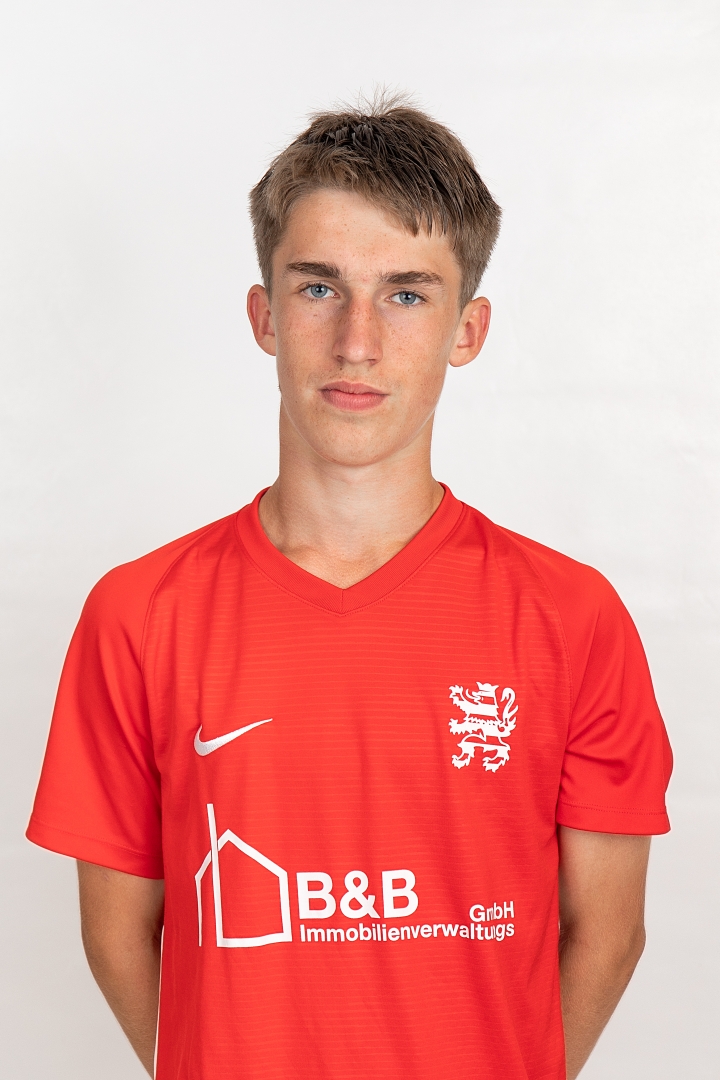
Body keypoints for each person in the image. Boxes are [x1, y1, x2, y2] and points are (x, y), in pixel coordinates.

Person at [27, 95, 672, 1080]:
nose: (358, 342)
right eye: (320, 287)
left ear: (468, 329)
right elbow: (119, 936)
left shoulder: (571, 618)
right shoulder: (139, 616)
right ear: (264, 315)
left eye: (407, 294)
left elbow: (608, 935)